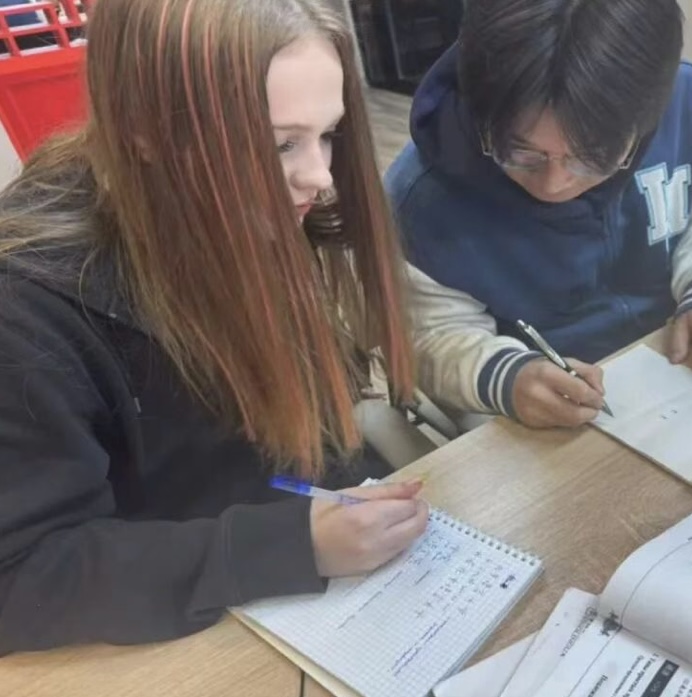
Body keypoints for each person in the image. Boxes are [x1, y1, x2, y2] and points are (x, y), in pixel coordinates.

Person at [0, 0, 429, 655]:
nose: (319, 177)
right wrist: (289, 545)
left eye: (329, 133)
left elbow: (294, 431)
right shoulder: (28, 309)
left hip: (293, 557)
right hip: (164, 635)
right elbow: (25, 577)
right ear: (146, 134)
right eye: (281, 143)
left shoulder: (255, 206)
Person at [386, 0, 692, 430]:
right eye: (521, 152)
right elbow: (433, 335)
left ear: (648, 121)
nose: (554, 184)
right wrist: (506, 376)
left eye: (594, 157)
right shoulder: (421, 199)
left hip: (674, 356)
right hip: (541, 408)